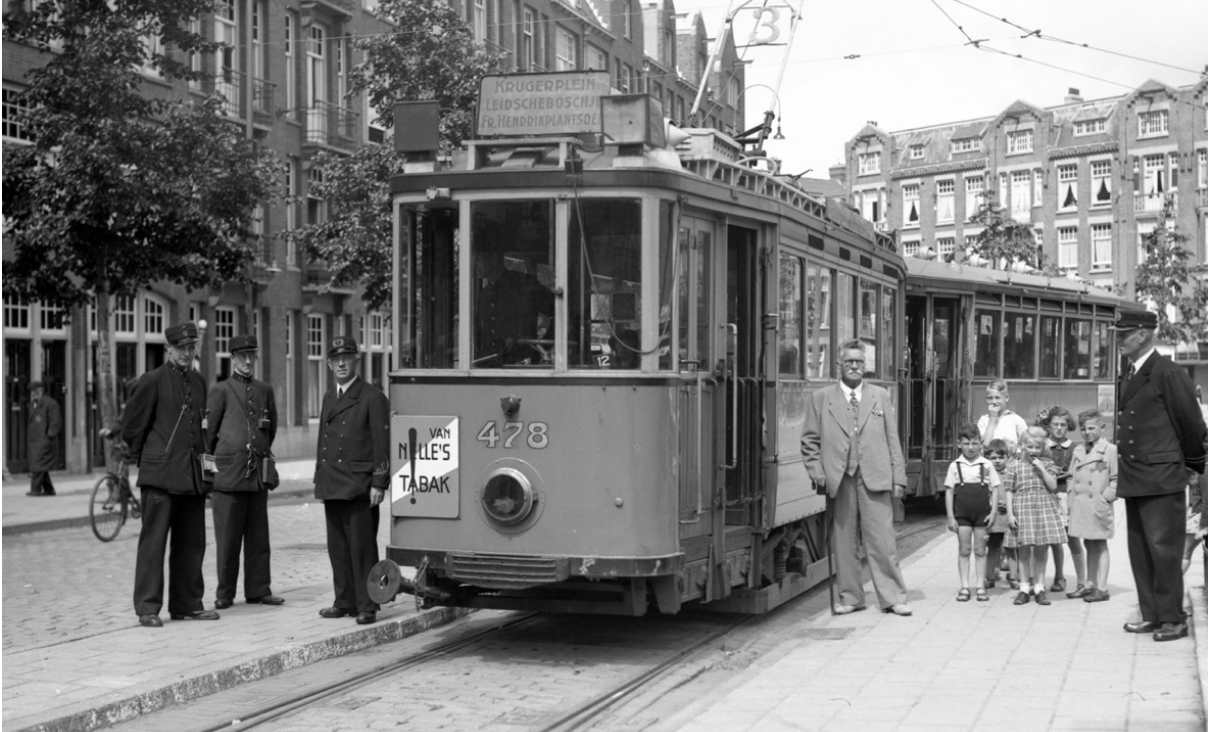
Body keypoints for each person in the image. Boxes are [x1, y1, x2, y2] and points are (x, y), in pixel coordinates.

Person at [1114, 309, 1207, 641]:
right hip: (1137, 475)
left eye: (1124, 334)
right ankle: (1152, 614)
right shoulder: (1131, 371)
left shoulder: (1168, 372)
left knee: (1164, 550)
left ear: (1144, 334)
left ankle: (1173, 618)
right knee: (1140, 549)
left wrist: (1193, 466)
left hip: (1162, 476)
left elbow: (1193, 426)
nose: (1118, 340)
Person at [801, 339, 912, 617]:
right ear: (839, 365)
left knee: (882, 542)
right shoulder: (821, 398)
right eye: (849, 361)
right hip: (839, 479)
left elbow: (892, 439)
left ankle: (893, 598)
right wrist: (818, 472)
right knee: (844, 542)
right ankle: (851, 598)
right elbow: (809, 441)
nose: (854, 365)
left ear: (866, 365)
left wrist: (899, 477)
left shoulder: (880, 396)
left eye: (859, 362)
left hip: (875, 477)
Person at [121, 321, 217, 628]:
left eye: (192, 348)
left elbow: (202, 430)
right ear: (169, 349)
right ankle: (147, 607)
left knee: (192, 543)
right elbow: (132, 429)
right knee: (154, 543)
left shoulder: (200, 382)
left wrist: (207, 473)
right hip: (160, 477)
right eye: (182, 348)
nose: (187, 353)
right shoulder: (151, 381)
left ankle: (187, 603)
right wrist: (150, 459)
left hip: (192, 476)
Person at [314, 335, 390, 625]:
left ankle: (367, 604)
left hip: (359, 485)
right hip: (332, 481)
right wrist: (319, 477)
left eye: (346, 358)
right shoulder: (329, 396)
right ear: (330, 364)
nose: (341, 364)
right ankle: (344, 600)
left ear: (356, 361)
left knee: (362, 548)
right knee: (337, 546)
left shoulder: (372, 397)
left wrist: (379, 482)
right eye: (335, 360)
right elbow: (323, 438)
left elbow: (382, 443)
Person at [204, 335, 284, 610]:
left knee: (259, 538)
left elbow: (270, 430)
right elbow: (208, 437)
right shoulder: (221, 390)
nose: (248, 361)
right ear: (232, 359)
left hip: (256, 476)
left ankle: (259, 589)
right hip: (227, 478)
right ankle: (225, 593)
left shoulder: (264, 390)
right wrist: (210, 474)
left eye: (252, 355)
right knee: (227, 540)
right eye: (242, 356)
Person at [1006, 427, 1064, 606]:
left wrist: (1042, 469)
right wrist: (1009, 513)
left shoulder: (1047, 463)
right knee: (1023, 551)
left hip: (1043, 509)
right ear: (1022, 445)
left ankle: (1039, 587)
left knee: (1041, 550)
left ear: (1042, 448)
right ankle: (1024, 588)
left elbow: (1053, 486)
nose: (1033, 451)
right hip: (1022, 509)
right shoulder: (1014, 466)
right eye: (1029, 446)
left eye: (1037, 447)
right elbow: (1009, 490)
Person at [944, 423, 1001, 602]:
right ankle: (964, 587)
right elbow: (948, 491)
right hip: (962, 516)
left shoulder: (986, 465)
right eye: (966, 443)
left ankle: (980, 586)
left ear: (980, 443)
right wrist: (951, 516)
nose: (971, 448)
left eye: (975, 443)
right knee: (964, 550)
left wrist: (993, 513)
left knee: (980, 550)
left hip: (982, 514)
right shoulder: (955, 466)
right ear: (959, 444)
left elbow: (996, 488)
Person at [473, 248, 554, 367]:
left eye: (477, 259)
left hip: (521, 367)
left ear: (493, 259)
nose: (473, 265)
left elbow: (560, 313)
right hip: (489, 367)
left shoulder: (524, 284)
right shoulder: (484, 294)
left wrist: (543, 346)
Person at [1067, 409, 1117, 602]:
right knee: (1088, 542)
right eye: (1083, 429)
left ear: (1102, 427)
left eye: (1091, 428)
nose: (1086, 432)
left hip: (1098, 506)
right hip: (1081, 505)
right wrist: (1072, 497)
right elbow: (1071, 475)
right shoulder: (1079, 450)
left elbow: (1116, 479)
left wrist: (1105, 499)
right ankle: (1089, 584)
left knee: (1100, 543)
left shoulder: (1109, 450)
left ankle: (1102, 587)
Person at [1043, 406, 1086, 596]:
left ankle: (1082, 582)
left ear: (1068, 425)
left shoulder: (1075, 448)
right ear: (1049, 426)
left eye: (1062, 424)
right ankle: (1058, 576)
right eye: (1055, 425)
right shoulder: (1044, 446)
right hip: (1048, 496)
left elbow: (1080, 472)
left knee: (1073, 538)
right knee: (1052, 540)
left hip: (1067, 497)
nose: (1059, 428)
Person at [983, 439, 1018, 590]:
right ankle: (989, 576)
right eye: (993, 458)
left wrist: (1011, 504)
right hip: (995, 518)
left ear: (1008, 457)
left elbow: (1016, 491)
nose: (997, 461)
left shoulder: (1012, 473)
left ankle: (1015, 577)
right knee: (993, 547)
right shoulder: (986, 475)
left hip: (1008, 517)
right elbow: (984, 494)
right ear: (988, 458)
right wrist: (993, 503)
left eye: (1001, 457)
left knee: (1012, 548)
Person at [26, 381, 62, 497]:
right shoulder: (33, 404)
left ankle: (35, 489)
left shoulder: (51, 403)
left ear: (40, 391)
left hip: (44, 442)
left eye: (34, 391)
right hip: (35, 441)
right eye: (32, 392)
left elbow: (55, 422)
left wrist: (49, 435)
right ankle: (49, 489)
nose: (32, 394)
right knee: (40, 465)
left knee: (38, 464)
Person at [977, 379, 1028, 453]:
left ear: (1006, 398)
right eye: (990, 398)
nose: (994, 402)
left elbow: (1027, 445)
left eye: (997, 397)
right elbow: (984, 446)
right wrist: (992, 419)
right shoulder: (983, 421)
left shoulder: (1016, 420)